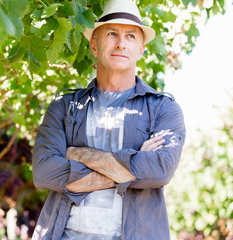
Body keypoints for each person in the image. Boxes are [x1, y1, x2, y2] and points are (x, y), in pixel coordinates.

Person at [32, 0, 186, 239]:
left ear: (141, 49)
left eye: (131, 36)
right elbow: (44, 173)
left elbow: (158, 171)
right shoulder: (64, 107)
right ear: (94, 45)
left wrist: (78, 154)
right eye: (112, 33)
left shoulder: (163, 109)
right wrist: (130, 166)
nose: (121, 44)